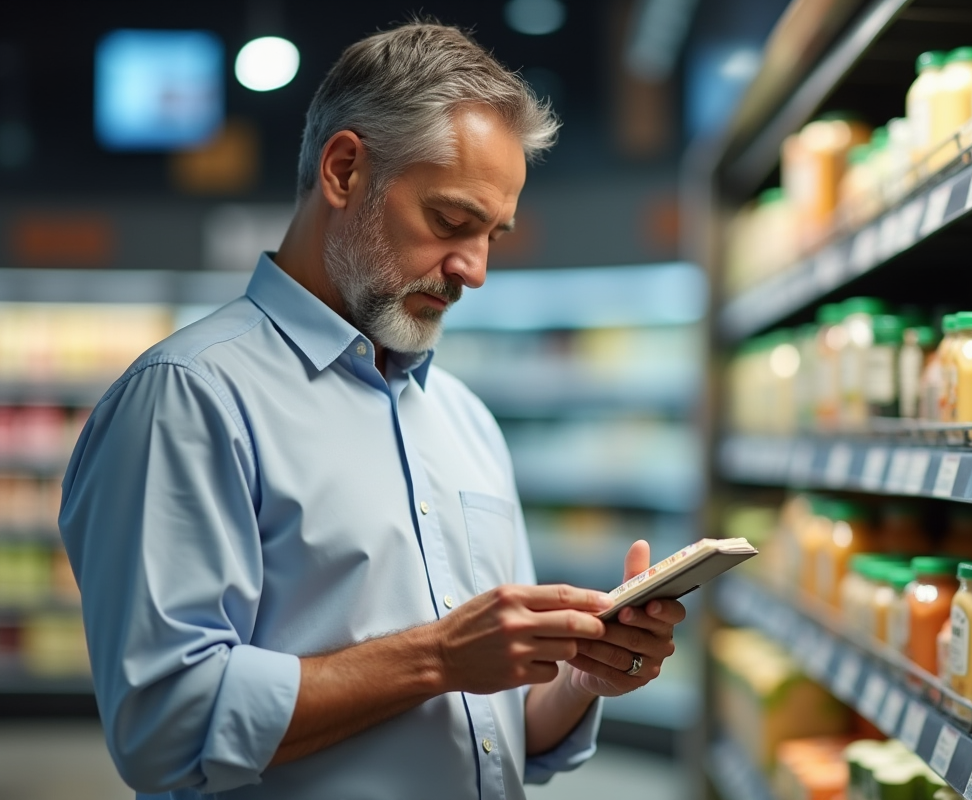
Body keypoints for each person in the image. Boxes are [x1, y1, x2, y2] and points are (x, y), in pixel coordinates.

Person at [59, 21, 686, 800]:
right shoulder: (188, 398)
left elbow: (498, 731)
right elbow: (164, 727)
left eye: (494, 235)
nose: (476, 270)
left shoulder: (466, 421)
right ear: (345, 170)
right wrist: (437, 658)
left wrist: (583, 679)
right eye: (453, 222)